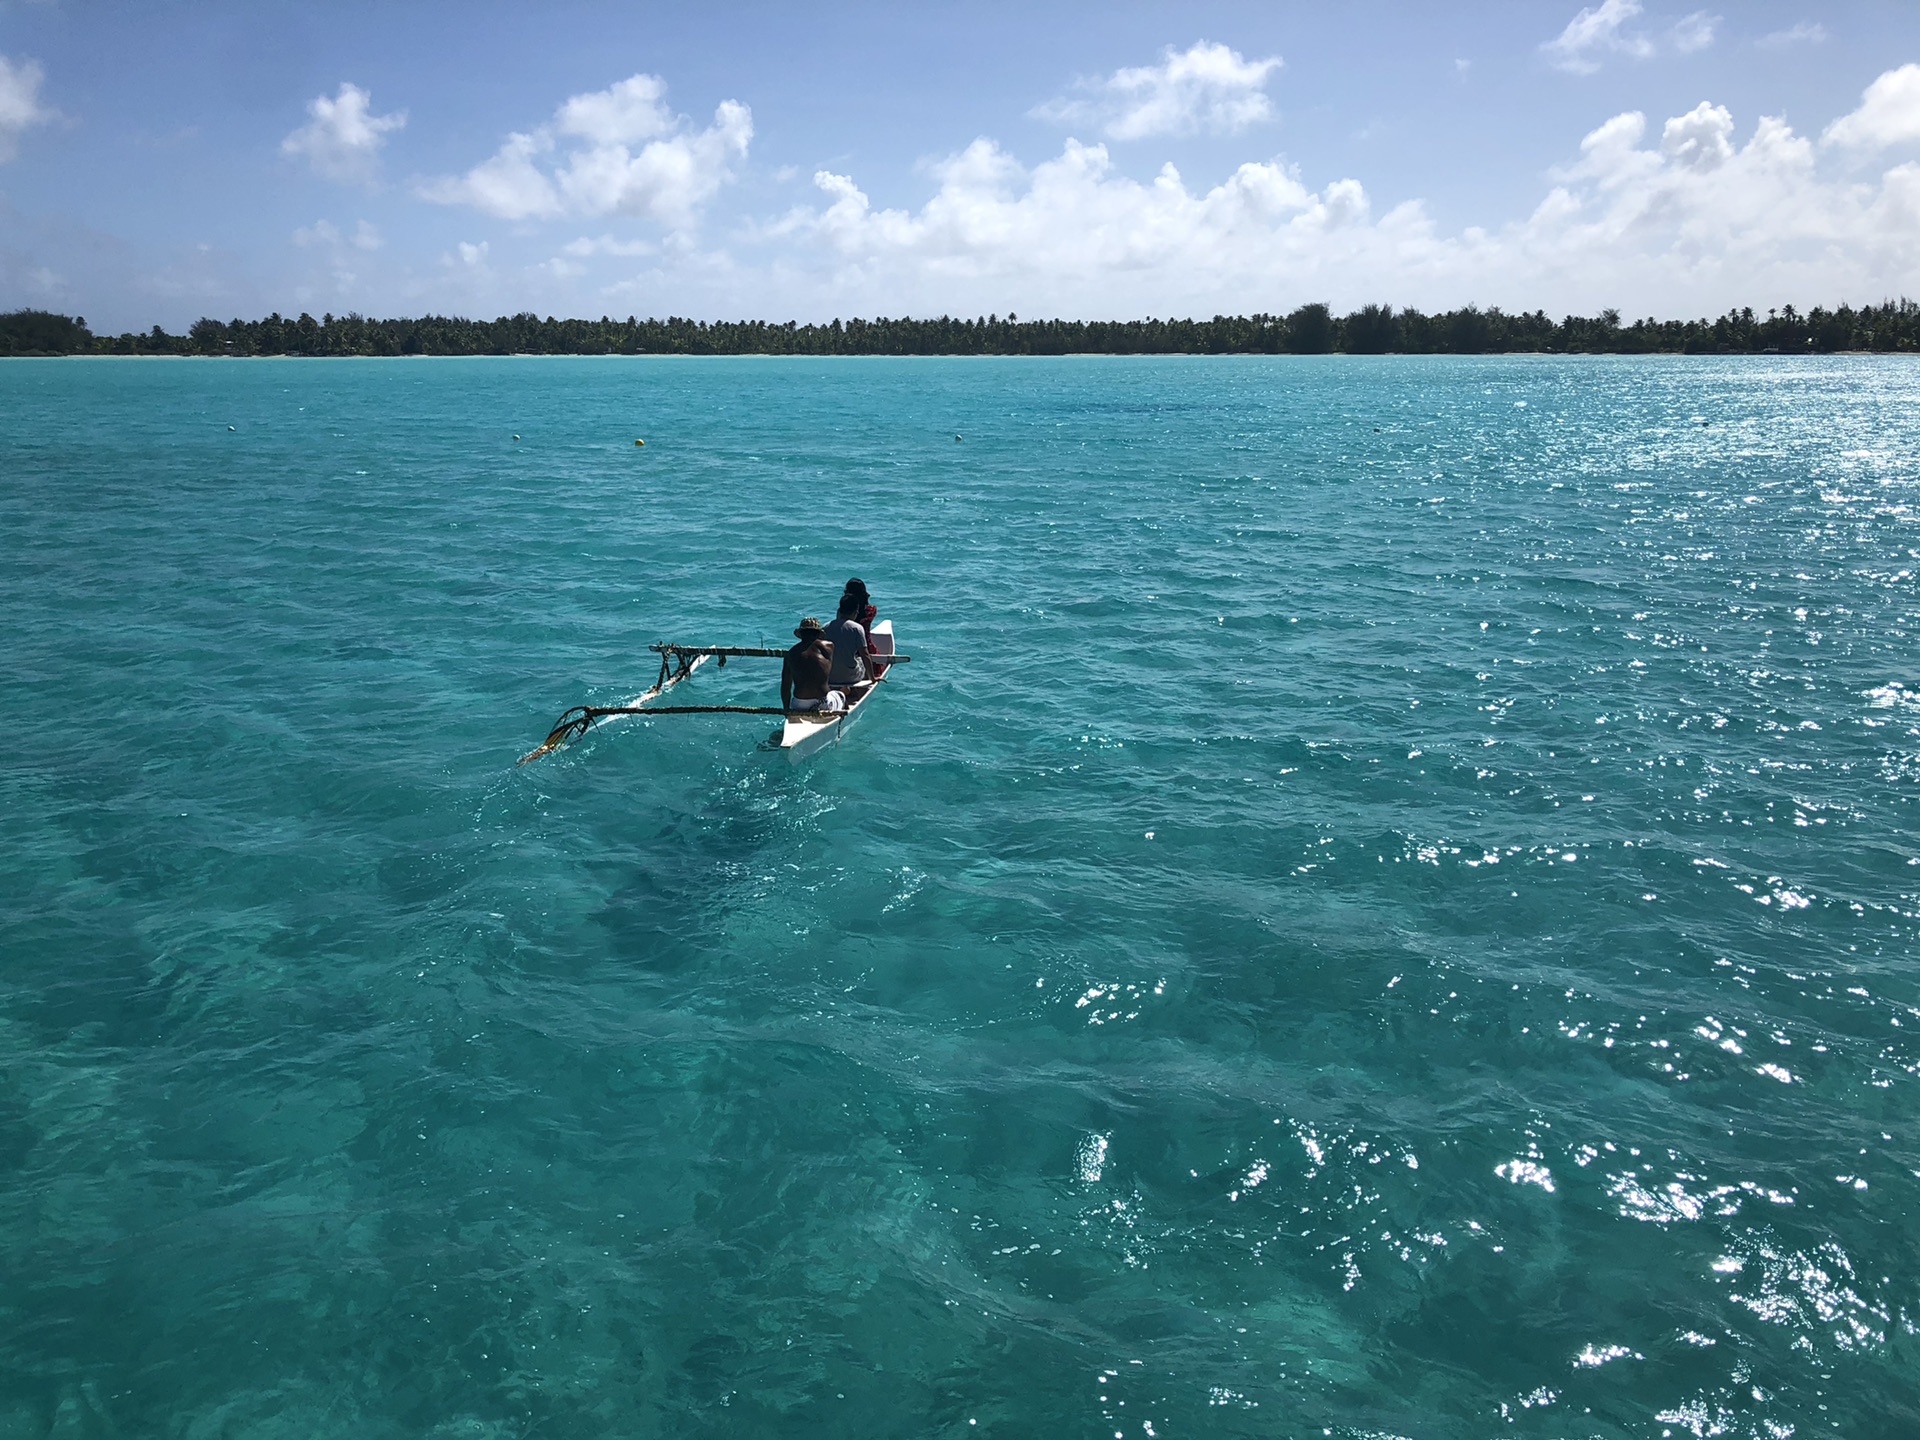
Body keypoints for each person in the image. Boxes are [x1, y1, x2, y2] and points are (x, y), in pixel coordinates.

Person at [781, 617, 843, 713]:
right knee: (841, 696)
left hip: (799, 703)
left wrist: (786, 709)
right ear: (818, 634)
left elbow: (786, 686)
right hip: (823, 702)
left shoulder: (791, 653)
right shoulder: (829, 646)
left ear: (801, 634)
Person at [822, 593, 869, 692]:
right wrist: (872, 678)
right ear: (856, 612)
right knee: (860, 659)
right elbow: (865, 655)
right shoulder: (857, 628)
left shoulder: (825, 627)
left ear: (839, 611)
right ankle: (859, 692)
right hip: (850, 677)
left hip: (830, 676)